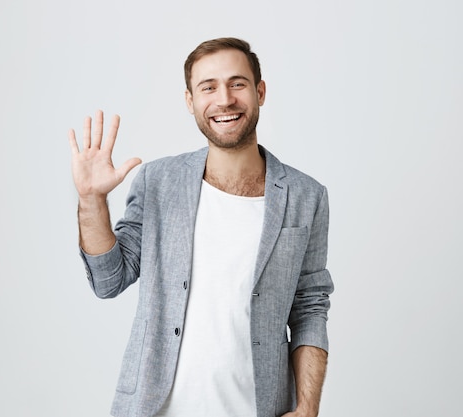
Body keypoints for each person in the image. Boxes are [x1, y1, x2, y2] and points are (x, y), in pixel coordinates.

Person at [69, 37, 334, 417]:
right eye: (208, 87)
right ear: (190, 101)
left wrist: (308, 406)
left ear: (260, 91)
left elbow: (309, 307)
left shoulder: (307, 196)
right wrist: (91, 201)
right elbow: (108, 280)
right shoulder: (158, 181)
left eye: (237, 83)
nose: (224, 99)